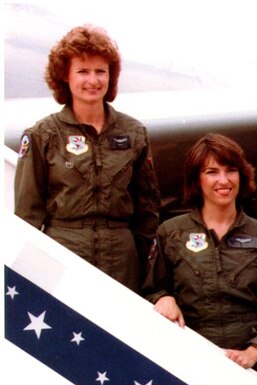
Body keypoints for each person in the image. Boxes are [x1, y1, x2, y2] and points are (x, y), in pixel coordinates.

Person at [142, 133, 257, 385]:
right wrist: (162, 297)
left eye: (231, 170)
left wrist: (254, 351)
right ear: (197, 180)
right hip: (194, 366)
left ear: (241, 175)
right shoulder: (171, 233)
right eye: (212, 172)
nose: (223, 180)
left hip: (256, 372)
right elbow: (149, 289)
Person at [14, 25, 159, 293]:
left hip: (122, 260)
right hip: (63, 254)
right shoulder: (42, 135)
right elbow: (27, 215)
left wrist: (144, 269)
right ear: (65, 77)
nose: (92, 80)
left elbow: (147, 211)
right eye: (82, 71)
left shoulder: (135, 133)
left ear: (111, 77)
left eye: (100, 71)